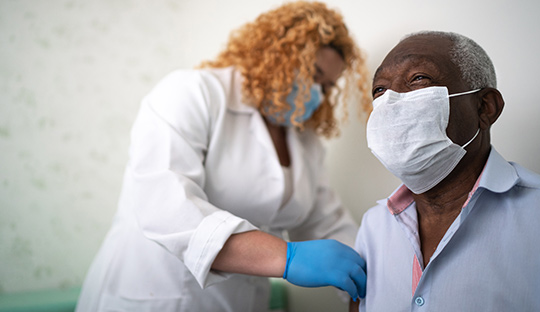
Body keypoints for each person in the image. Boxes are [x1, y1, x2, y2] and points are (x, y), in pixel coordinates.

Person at [76, 2, 372, 311]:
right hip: (155, 295)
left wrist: (368, 281)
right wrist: (287, 257)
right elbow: (165, 208)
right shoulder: (192, 93)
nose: (318, 94)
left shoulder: (304, 140)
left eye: (326, 87)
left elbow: (324, 221)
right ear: (277, 54)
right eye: (313, 74)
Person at [351, 31, 540, 311]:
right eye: (380, 90)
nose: (390, 101)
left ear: (485, 107)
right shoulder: (374, 227)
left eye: (419, 78)